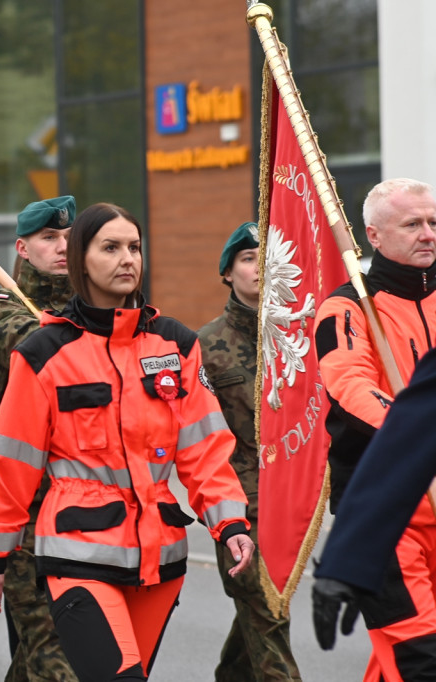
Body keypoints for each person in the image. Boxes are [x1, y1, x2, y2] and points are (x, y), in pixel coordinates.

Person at [0, 202, 254, 682]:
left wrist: (230, 523)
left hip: (160, 559)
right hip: (77, 552)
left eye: (134, 247)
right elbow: (11, 458)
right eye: (111, 248)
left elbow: (204, 450)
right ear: (81, 259)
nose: (128, 258)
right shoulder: (44, 350)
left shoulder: (175, 345)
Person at [312, 177, 436, 680]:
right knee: (420, 657)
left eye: (433, 223)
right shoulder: (345, 309)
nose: (428, 233)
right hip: (387, 514)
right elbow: (351, 385)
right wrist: (418, 437)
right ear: (374, 236)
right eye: (413, 224)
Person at [0, 196, 76, 682]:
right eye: (49, 239)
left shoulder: (92, 308)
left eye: (70, 239)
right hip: (20, 497)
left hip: (78, 490)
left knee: (51, 646)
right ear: (22, 248)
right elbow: (33, 344)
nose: (62, 247)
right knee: (42, 643)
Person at [198, 222, 302, 681]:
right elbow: (197, 437)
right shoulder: (204, 347)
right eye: (246, 258)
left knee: (258, 622)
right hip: (240, 507)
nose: (258, 266)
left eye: (264, 257)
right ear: (227, 273)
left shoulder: (299, 336)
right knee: (268, 613)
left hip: (293, 502)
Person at [312, 348, 436, 662]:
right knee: (419, 659)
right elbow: (407, 438)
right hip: (403, 524)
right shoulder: (348, 304)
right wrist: (353, 556)